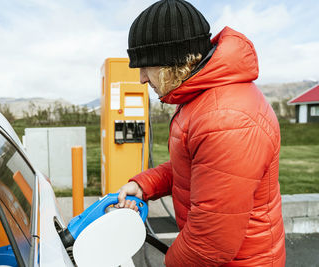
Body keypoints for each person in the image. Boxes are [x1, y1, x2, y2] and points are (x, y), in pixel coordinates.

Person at [117, 0, 286, 266]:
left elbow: (211, 241)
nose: (141, 78)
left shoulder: (223, 118)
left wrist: (171, 262)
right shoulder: (204, 101)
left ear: (171, 61)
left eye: (145, 65)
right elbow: (196, 169)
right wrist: (144, 184)